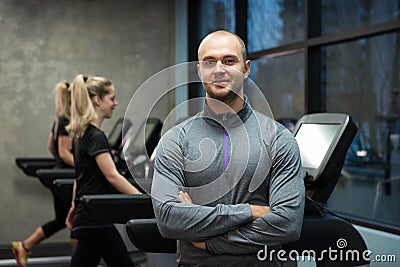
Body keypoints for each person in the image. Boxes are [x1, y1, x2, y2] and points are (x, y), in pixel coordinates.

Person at [151, 30, 305, 266]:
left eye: (229, 60)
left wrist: (210, 242)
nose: (219, 69)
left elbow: (286, 224)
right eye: (209, 62)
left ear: (246, 69)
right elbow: (169, 219)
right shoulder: (175, 140)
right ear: (199, 71)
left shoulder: (279, 139)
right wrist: (250, 211)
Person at [65, 74, 141, 267]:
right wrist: (143, 201)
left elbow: (80, 177)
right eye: (112, 98)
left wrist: (75, 206)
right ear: (97, 100)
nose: (115, 104)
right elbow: (112, 176)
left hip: (90, 217)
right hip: (95, 220)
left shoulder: (81, 134)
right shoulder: (96, 137)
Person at [12, 81, 76, 267]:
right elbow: (64, 152)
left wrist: (58, 161)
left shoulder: (59, 120)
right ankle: (82, 261)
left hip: (59, 173)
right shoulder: (67, 121)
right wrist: (84, 164)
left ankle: (25, 245)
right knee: (78, 219)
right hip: (66, 177)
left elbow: (51, 146)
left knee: (63, 219)